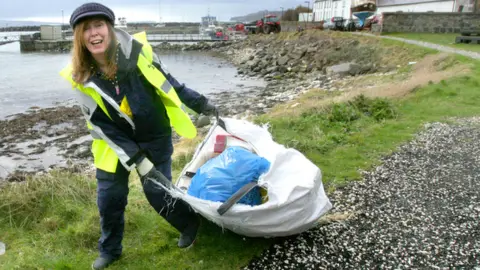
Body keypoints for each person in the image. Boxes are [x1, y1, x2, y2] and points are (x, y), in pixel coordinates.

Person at [60, 2, 218, 269]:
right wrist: (136, 158)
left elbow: (170, 84)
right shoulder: (78, 77)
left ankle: (190, 224)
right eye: (86, 28)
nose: (93, 33)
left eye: (98, 25)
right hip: (112, 144)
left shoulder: (140, 52)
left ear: (109, 28)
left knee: (159, 193)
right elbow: (100, 124)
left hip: (154, 135)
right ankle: (110, 250)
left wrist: (203, 105)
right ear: (79, 37)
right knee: (110, 198)